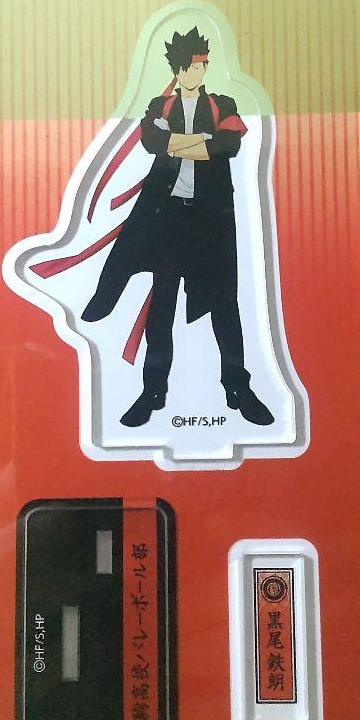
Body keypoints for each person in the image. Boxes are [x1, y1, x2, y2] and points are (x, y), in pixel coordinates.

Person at [81, 27, 274, 428]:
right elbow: (153, 143)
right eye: (188, 66)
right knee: (162, 305)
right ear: (177, 69)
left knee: (225, 304)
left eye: (200, 65)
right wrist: (200, 142)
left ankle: (238, 387)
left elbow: (228, 145)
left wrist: (181, 143)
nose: (195, 72)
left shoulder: (222, 103)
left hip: (212, 221)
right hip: (168, 219)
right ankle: (153, 391)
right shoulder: (161, 105)